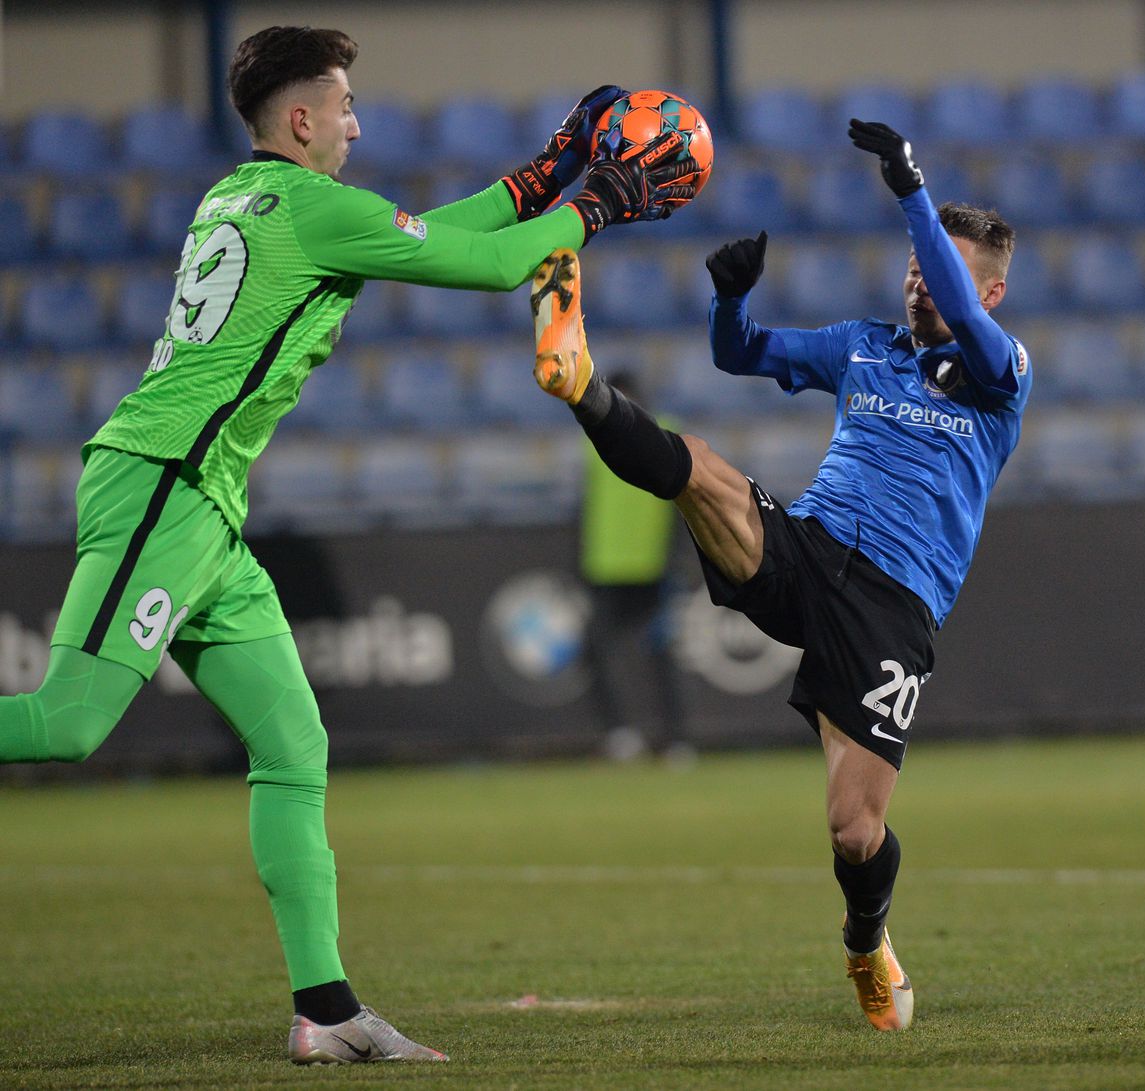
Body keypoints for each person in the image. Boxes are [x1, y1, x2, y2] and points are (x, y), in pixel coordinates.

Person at [0, 25, 697, 1066]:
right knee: (64, 723)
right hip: (163, 485)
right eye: (346, 108)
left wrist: (546, 173)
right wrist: (599, 201)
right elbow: (496, 266)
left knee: (294, 745)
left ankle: (326, 1008)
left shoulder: (247, 197)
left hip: (209, 510)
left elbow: (425, 231)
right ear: (301, 119)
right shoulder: (313, 208)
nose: (357, 126)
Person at [530, 118, 1031, 1032]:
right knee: (702, 474)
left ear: (989, 291)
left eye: (945, 270)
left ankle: (866, 936)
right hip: (807, 552)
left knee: (853, 829)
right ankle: (579, 381)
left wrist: (912, 191)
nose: (922, 278)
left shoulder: (1004, 377)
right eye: (918, 264)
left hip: (892, 608)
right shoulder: (862, 346)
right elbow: (741, 352)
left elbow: (966, 320)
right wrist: (729, 302)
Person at [578, 372, 689, 761]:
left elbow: (682, 504)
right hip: (605, 565)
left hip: (650, 565)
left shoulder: (665, 434)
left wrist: (676, 561)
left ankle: (675, 739)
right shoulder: (593, 441)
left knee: (660, 655)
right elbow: (588, 506)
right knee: (598, 651)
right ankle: (622, 734)